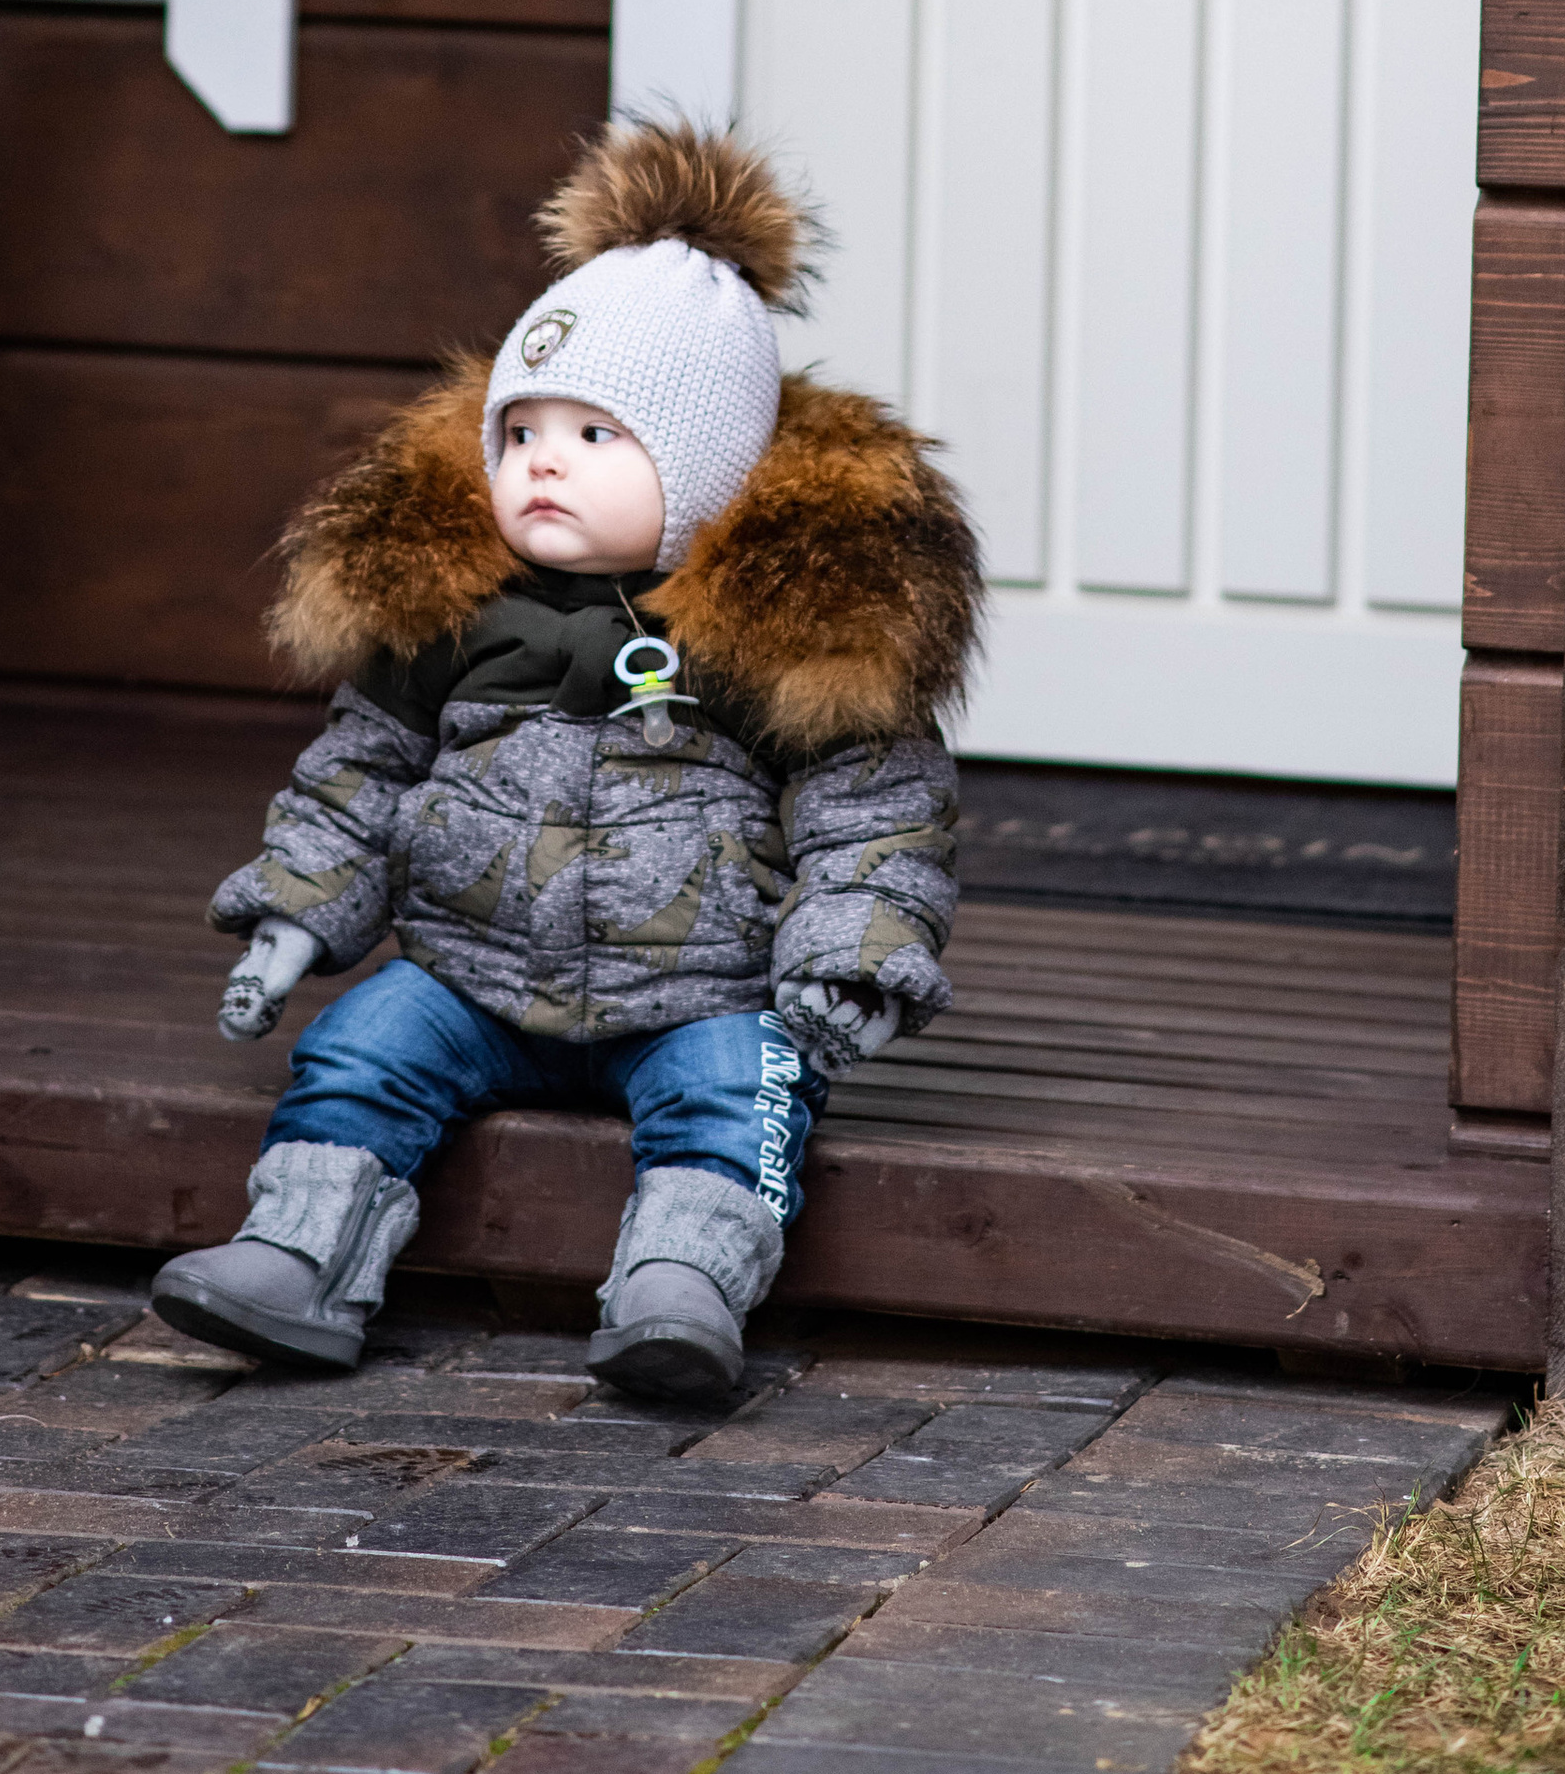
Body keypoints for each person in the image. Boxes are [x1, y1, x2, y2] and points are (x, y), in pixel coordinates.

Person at [149, 115, 981, 1402]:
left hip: (702, 985)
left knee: (742, 1093)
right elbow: (360, 773)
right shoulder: (458, 614)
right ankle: (296, 1251)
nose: (542, 460)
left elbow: (871, 814)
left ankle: (682, 1282)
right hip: (468, 972)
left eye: (596, 437)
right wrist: (296, 919)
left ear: (707, 468)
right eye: (521, 429)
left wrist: (850, 961)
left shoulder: (778, 636)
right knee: (360, 1051)